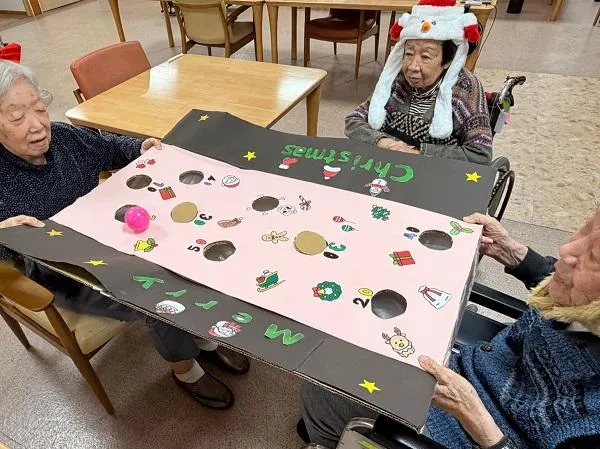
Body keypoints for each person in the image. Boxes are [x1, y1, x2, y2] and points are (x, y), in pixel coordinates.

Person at [0, 60, 250, 410]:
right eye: (17, 117)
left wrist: (139, 148)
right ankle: (186, 371)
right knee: (153, 296)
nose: (37, 125)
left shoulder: (65, 138)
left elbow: (110, 147)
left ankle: (202, 339)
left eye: (39, 109)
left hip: (106, 238)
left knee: (185, 255)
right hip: (63, 273)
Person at [300, 209, 600, 449]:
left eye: (594, 257)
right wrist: (514, 253)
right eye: (588, 227)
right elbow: (558, 283)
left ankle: (326, 437)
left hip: (477, 427)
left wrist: (474, 416)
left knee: (325, 386)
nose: (567, 248)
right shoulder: (582, 304)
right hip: (489, 362)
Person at [345, 0, 492, 165]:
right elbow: (353, 121)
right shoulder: (396, 77)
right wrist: (384, 142)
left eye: (425, 56)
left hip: (434, 168)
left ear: (448, 61)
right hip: (388, 162)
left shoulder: (465, 87)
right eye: (408, 53)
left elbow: (480, 154)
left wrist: (419, 153)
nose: (412, 67)